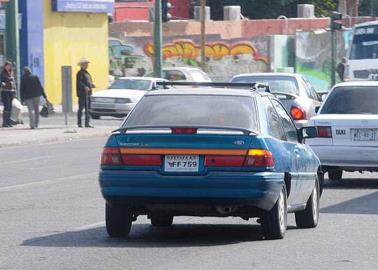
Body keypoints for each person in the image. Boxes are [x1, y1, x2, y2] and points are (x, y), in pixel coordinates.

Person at [76, 58, 95, 128]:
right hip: (82, 94)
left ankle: (87, 123)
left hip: (88, 94)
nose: (87, 65)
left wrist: (91, 85)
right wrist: (85, 87)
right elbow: (79, 83)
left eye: (87, 64)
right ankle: (79, 123)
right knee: (81, 108)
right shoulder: (79, 73)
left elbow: (88, 81)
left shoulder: (86, 73)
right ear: (82, 65)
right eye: (85, 64)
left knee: (88, 109)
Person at [1, 61, 16, 128]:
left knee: (10, 107)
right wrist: (3, 83)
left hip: (11, 91)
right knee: (6, 106)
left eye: (9, 66)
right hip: (5, 91)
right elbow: (1, 81)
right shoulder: (2, 73)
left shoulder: (11, 73)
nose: (8, 67)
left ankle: (9, 122)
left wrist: (14, 90)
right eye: (7, 66)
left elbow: (13, 82)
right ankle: (5, 122)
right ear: (5, 66)